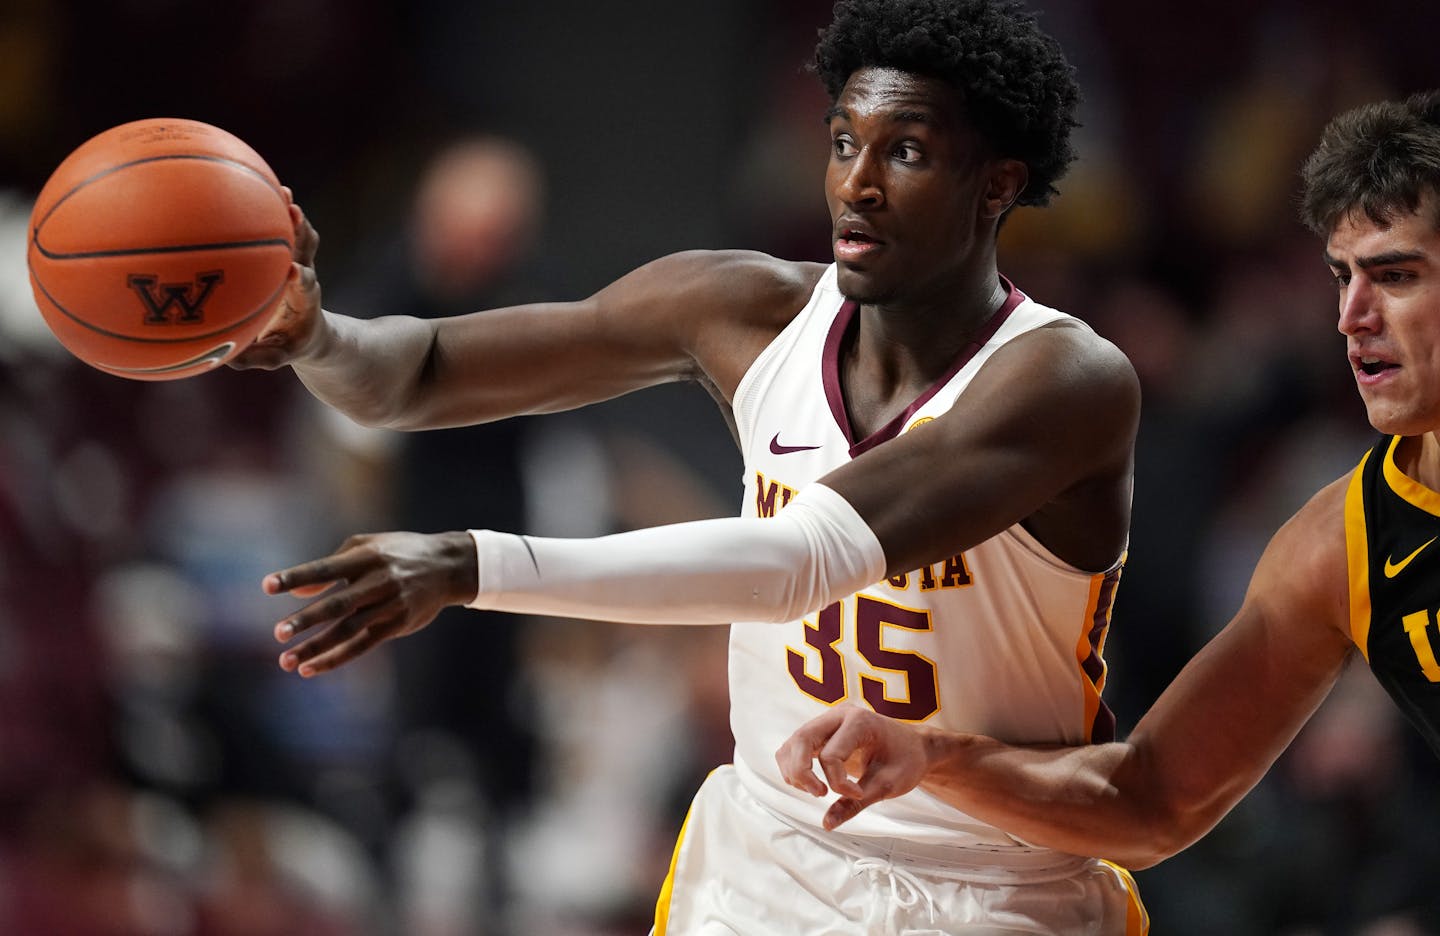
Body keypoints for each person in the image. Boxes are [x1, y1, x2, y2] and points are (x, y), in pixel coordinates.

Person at [236, 0, 1149, 931]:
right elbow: (422, 369)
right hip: (768, 859)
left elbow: (796, 562)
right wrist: (316, 335)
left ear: (998, 184)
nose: (856, 185)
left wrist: (471, 564)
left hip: (988, 879)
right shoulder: (743, 308)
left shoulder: (1063, 378)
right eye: (842, 143)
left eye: (904, 153)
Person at [774, 88, 1440, 885]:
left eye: (1395, 276)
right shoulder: (1341, 544)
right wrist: (932, 754)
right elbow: (1151, 800)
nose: (1352, 315)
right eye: (1342, 278)